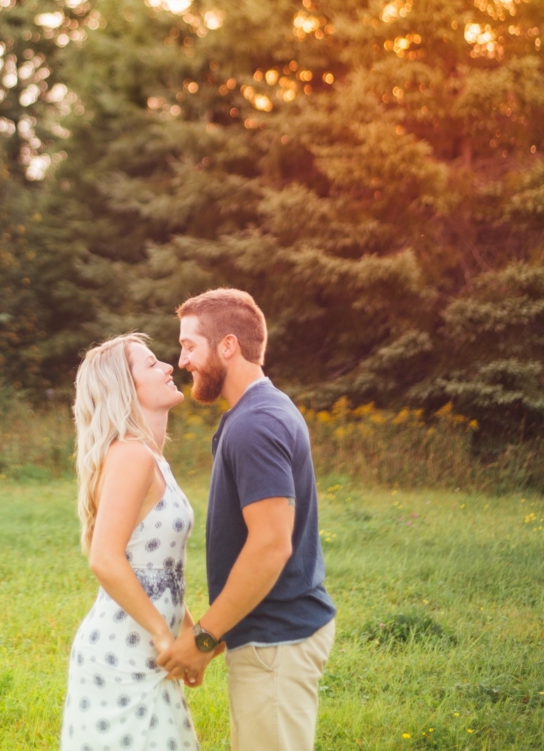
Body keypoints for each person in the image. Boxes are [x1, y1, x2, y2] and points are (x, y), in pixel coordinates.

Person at [158, 289, 336, 751]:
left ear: (228, 345)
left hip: (277, 640)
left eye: (190, 346)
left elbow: (271, 545)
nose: (182, 361)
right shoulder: (259, 412)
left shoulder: (256, 423)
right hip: (270, 635)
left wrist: (203, 637)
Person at [61, 334, 212, 751]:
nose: (168, 366)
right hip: (120, 658)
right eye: (151, 364)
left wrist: (187, 635)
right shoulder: (132, 455)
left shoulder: (152, 458)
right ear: (125, 388)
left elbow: (157, 568)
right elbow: (105, 558)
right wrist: (163, 635)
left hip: (150, 654)